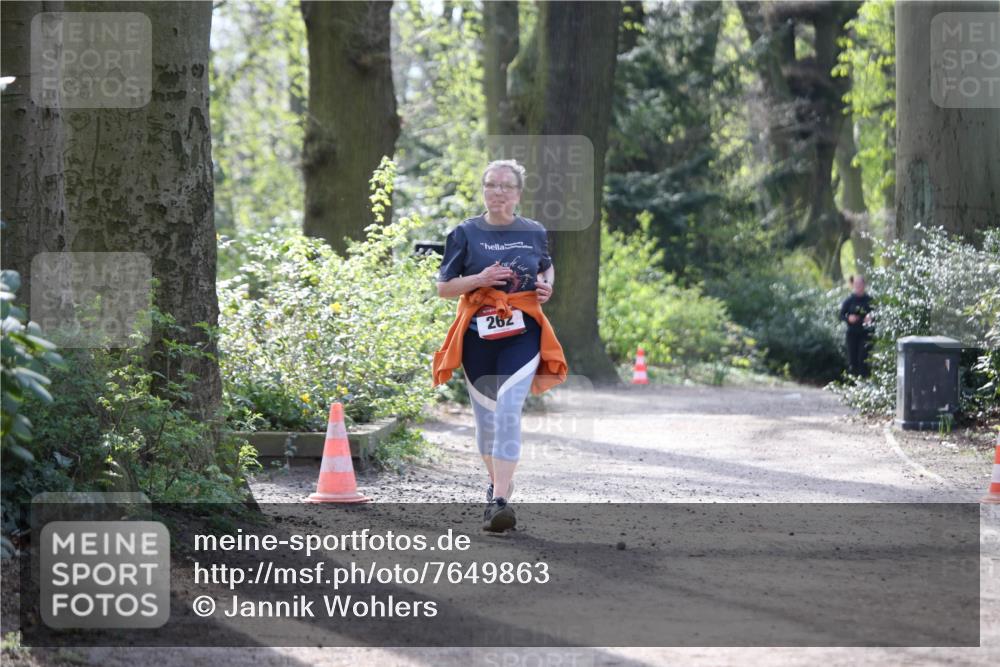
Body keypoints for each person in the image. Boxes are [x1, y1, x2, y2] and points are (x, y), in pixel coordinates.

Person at [431, 159, 567, 532]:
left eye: (506, 186)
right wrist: (481, 278)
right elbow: (444, 288)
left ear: (518, 193)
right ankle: (497, 484)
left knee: (508, 412)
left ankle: (500, 502)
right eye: (491, 185)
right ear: (484, 190)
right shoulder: (464, 233)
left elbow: (545, 266)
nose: (498, 192)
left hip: (523, 335)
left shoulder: (534, 231)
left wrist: (547, 284)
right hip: (477, 337)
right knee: (486, 421)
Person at [839, 274, 874, 377]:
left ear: (864, 285)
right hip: (852, 334)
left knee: (863, 359)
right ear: (853, 285)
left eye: (860, 284)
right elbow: (841, 315)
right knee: (852, 361)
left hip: (866, 334)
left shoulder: (870, 300)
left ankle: (864, 382)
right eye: (856, 284)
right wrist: (849, 318)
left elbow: (877, 314)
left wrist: (871, 317)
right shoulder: (849, 300)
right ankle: (853, 382)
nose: (858, 286)